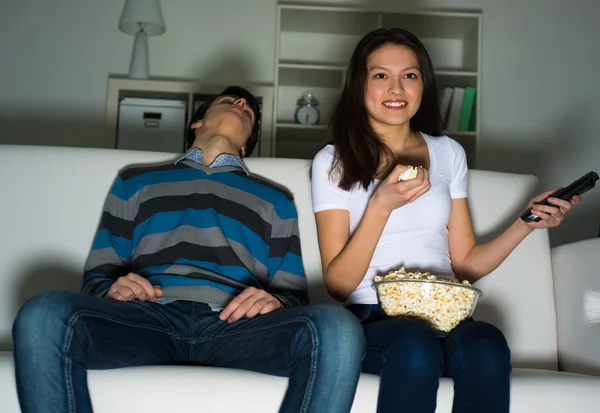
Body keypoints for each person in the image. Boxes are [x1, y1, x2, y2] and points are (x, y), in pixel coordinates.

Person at [13, 86, 366, 413]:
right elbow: (97, 278)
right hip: (148, 320)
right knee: (44, 314)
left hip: (237, 331)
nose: (242, 105)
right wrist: (110, 288)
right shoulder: (134, 182)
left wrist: (276, 302)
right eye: (230, 100)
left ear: (246, 146)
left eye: (249, 110)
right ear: (197, 122)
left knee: (337, 326)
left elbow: (294, 299)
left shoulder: (276, 201)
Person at [310, 28, 580, 413]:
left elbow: (466, 263)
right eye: (380, 75)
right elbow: (338, 284)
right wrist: (381, 205)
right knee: (414, 345)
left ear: (424, 85)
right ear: (359, 85)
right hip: (372, 317)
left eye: (410, 75)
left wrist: (527, 222)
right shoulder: (333, 161)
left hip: (445, 314)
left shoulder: (448, 152)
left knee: (486, 343)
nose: (396, 88)